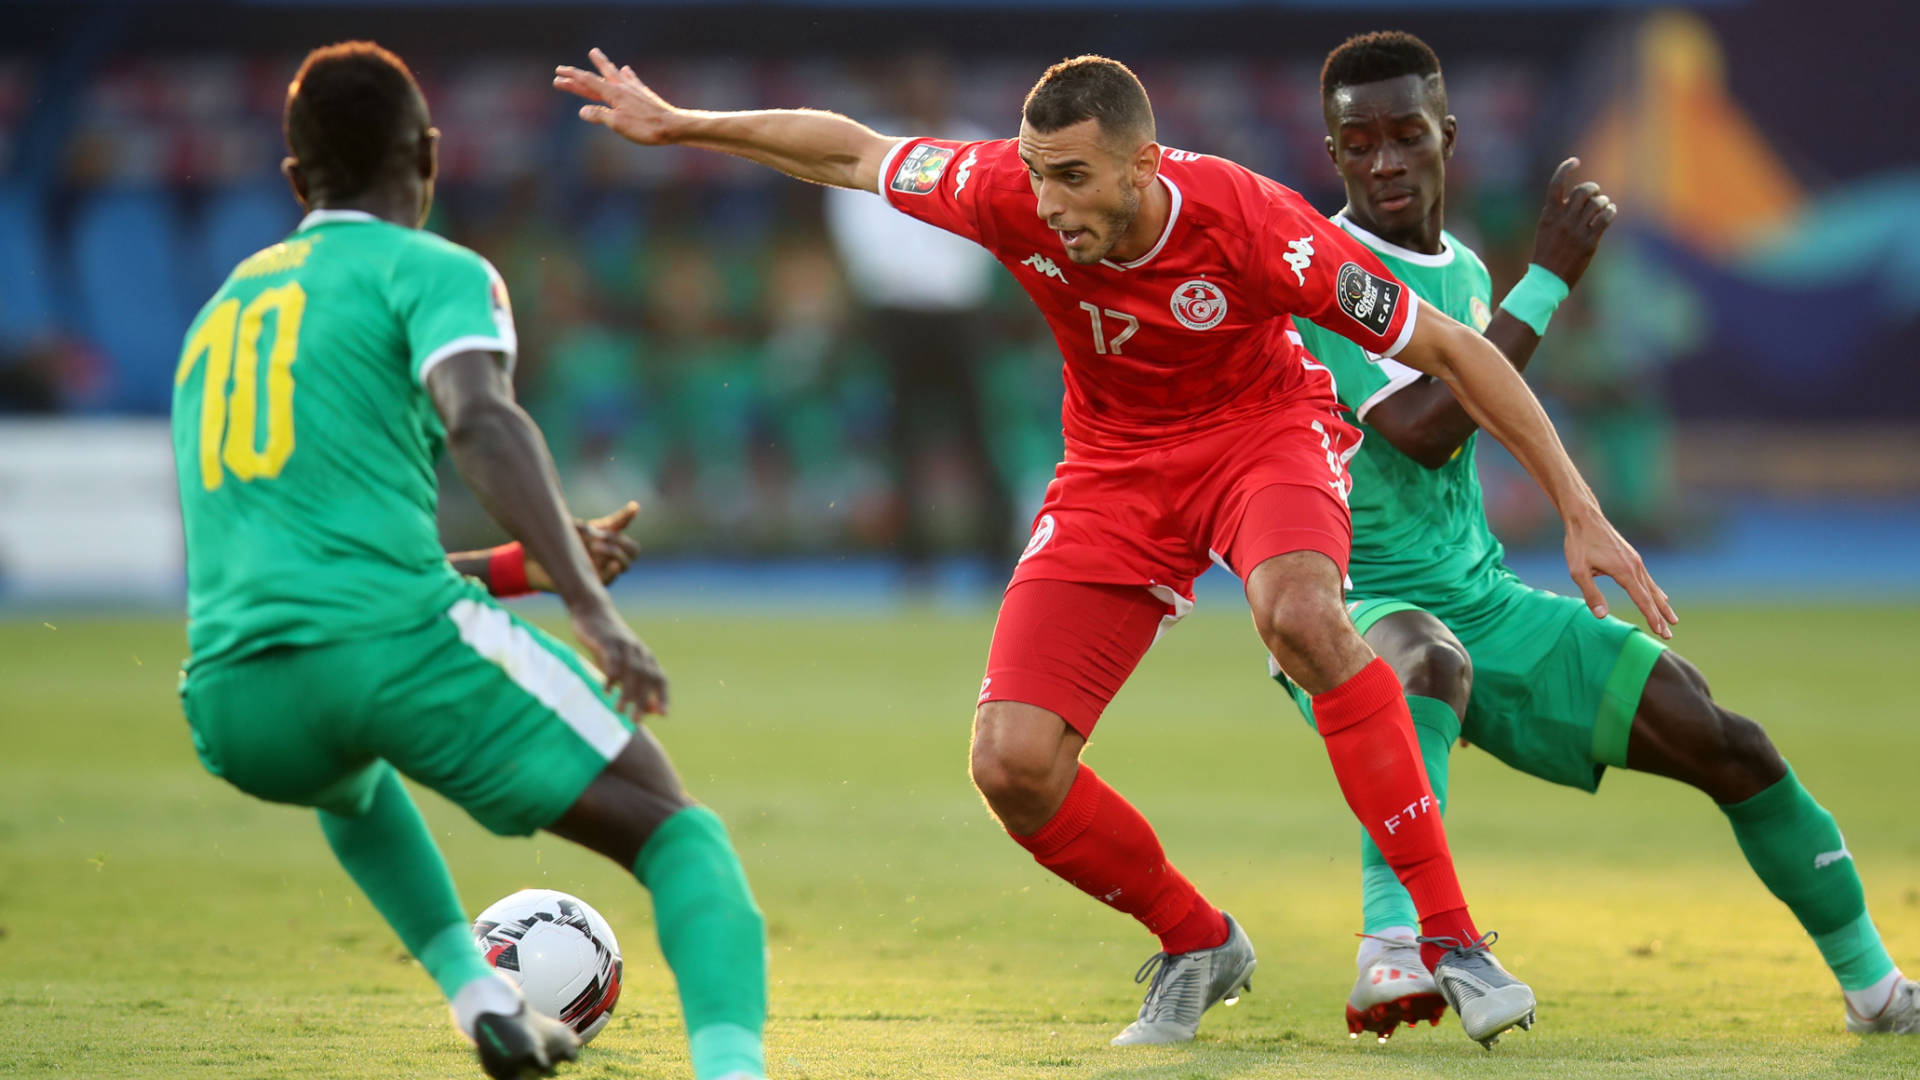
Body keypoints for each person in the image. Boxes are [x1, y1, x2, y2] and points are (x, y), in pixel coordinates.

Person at [557, 46, 1676, 1048]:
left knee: (1302, 615)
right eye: (1038, 174)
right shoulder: (1006, 188)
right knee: (1011, 766)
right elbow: (851, 152)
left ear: (1143, 167)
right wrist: (684, 123)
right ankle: (1198, 940)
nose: (1048, 204)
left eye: (1074, 178)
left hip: (1263, 437)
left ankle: (1452, 939)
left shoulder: (1254, 222)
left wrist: (1579, 508)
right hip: (1113, 470)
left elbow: (1456, 353)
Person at [1273, 30, 1916, 1041]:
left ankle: (1877, 990)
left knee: (1724, 740)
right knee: (1421, 662)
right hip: (1352, 598)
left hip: (1480, 595)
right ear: (1333, 153)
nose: (1384, 161)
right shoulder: (1327, 271)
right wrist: (1548, 280)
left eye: (1405, 136)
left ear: (1448, 136)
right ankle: (1391, 948)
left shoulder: (1463, 270)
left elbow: (1477, 414)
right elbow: (1426, 430)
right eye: (1359, 145)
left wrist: (1578, 505)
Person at [172, 42, 769, 1080]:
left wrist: (515, 568)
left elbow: (314, 565)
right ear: (429, 156)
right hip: (387, 652)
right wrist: (589, 606)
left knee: (348, 784)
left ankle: (480, 995)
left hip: (233, 702)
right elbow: (482, 422)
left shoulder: (219, 318)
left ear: (295, 180)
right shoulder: (434, 270)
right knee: (680, 835)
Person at [822, 55, 1015, 582]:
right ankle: (915, 561)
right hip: (898, 311)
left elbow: (994, 224)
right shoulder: (879, 148)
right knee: (904, 439)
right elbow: (859, 234)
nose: (923, 95)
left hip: (959, 311)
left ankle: (995, 554)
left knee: (978, 434)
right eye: (913, 86)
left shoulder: (975, 145)